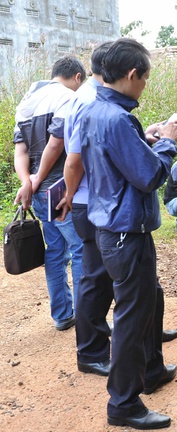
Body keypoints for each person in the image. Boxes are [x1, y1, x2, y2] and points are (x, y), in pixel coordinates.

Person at [56, 42, 177, 379]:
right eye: (145, 78)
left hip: (110, 215)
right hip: (116, 221)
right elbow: (147, 176)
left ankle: (150, 367)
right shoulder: (102, 110)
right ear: (130, 74)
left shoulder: (101, 108)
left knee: (142, 296)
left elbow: (116, 154)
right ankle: (118, 390)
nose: (145, 85)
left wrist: (143, 139)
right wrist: (168, 143)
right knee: (116, 299)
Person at [12, 56, 85, 331]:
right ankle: (86, 317)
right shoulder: (66, 97)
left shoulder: (26, 101)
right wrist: (40, 178)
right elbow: (56, 145)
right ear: (77, 77)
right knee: (79, 249)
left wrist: (28, 183)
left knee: (55, 250)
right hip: (59, 189)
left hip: (38, 192)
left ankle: (62, 316)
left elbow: (20, 151)